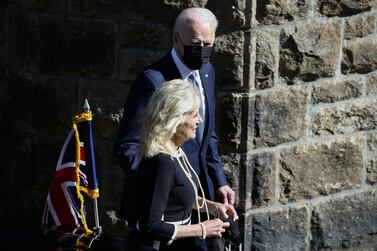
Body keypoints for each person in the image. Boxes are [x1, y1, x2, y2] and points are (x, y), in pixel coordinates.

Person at [114, 7, 235, 250]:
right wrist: (160, 182)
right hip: (164, 206)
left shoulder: (207, 72)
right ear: (176, 39)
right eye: (195, 43)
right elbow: (127, 146)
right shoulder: (153, 81)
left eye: (207, 44)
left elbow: (207, 136)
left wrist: (219, 181)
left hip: (198, 194)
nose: (201, 51)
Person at [125, 79, 238, 251]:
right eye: (194, 115)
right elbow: (151, 225)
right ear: (175, 119)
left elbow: (176, 196)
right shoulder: (162, 162)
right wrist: (202, 229)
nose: (199, 120)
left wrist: (213, 207)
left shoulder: (176, 149)